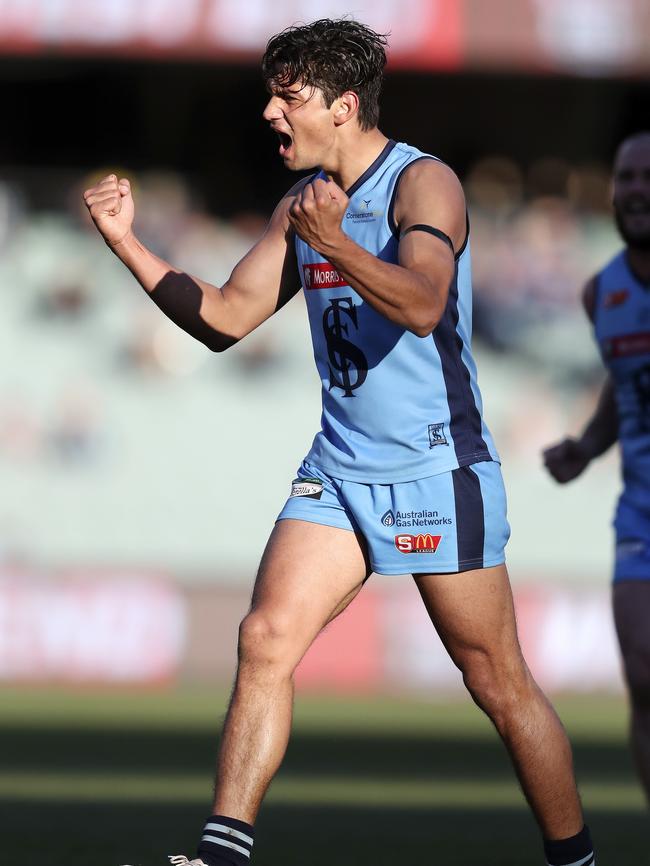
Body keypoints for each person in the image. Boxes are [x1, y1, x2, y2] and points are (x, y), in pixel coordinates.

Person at [84, 19, 595, 866]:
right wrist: (128, 245)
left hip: (437, 468)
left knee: (497, 685)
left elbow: (425, 304)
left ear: (344, 105)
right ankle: (220, 854)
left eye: (288, 97)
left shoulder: (423, 186)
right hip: (340, 467)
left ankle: (577, 860)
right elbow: (223, 320)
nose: (269, 114)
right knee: (263, 639)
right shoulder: (302, 205)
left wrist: (335, 245)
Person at [544, 131, 650, 806]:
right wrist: (586, 446)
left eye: (647, 177)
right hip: (640, 513)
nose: (635, 190)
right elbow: (622, 383)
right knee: (642, 677)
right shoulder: (600, 293)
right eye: (625, 178)